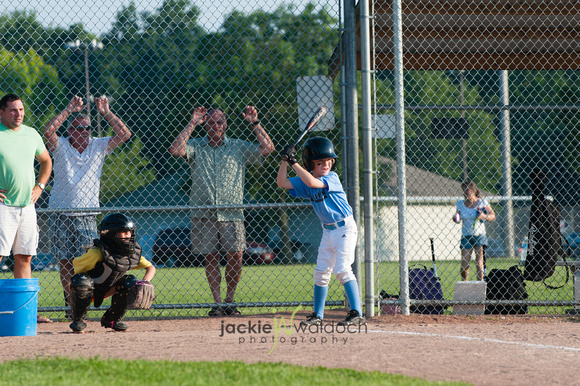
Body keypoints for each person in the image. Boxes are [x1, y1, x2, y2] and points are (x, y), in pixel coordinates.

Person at [169, 105, 275, 316]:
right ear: (205, 125)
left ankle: (230, 300)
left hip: (232, 212)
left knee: (236, 255)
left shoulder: (238, 146)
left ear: (225, 125)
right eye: (210, 122)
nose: (215, 126)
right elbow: (176, 150)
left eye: (219, 122)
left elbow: (267, 148)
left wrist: (255, 123)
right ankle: (217, 303)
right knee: (211, 257)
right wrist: (192, 122)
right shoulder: (197, 146)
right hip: (204, 213)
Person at [43, 95, 131, 318]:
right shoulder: (61, 145)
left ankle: (81, 301)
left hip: (87, 214)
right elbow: (47, 132)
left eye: (86, 128)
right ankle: (69, 303)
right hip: (60, 212)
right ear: (70, 130)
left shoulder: (98, 145)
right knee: (64, 260)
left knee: (87, 262)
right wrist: (68, 110)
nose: (82, 132)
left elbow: (125, 134)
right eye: (77, 128)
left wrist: (106, 112)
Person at [276, 137, 366, 326]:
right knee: (321, 272)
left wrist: (294, 162)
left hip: (344, 228)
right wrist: (284, 161)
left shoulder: (330, 178)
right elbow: (282, 182)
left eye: (328, 161)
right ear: (310, 164)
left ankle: (356, 312)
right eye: (319, 162)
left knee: (342, 269)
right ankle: (317, 316)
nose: (325, 165)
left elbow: (312, 183)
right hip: (328, 232)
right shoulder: (306, 179)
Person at [0, 93, 53, 323]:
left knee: (24, 257)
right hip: (3, 207)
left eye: (20, 110)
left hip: (27, 206)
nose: (18, 114)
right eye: (13, 110)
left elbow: (46, 161)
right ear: (1, 113)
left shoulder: (31, 134)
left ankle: (25, 311)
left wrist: (40, 186)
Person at [69, 213, 156, 332]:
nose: (127, 236)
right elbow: (77, 271)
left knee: (131, 281)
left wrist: (145, 281)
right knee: (81, 280)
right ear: (110, 234)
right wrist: (82, 289)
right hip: (90, 290)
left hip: (109, 288)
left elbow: (151, 267)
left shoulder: (132, 254)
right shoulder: (97, 253)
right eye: (123, 232)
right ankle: (78, 320)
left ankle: (112, 319)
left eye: (129, 232)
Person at [453, 180, 496, 281]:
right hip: (466, 235)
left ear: (473, 191)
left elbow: (493, 216)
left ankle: (480, 285)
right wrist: (456, 218)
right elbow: (457, 216)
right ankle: (465, 283)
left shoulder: (482, 202)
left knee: (479, 263)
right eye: (463, 191)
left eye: (467, 191)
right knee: (465, 264)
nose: (465, 193)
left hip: (479, 235)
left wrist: (484, 216)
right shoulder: (460, 203)